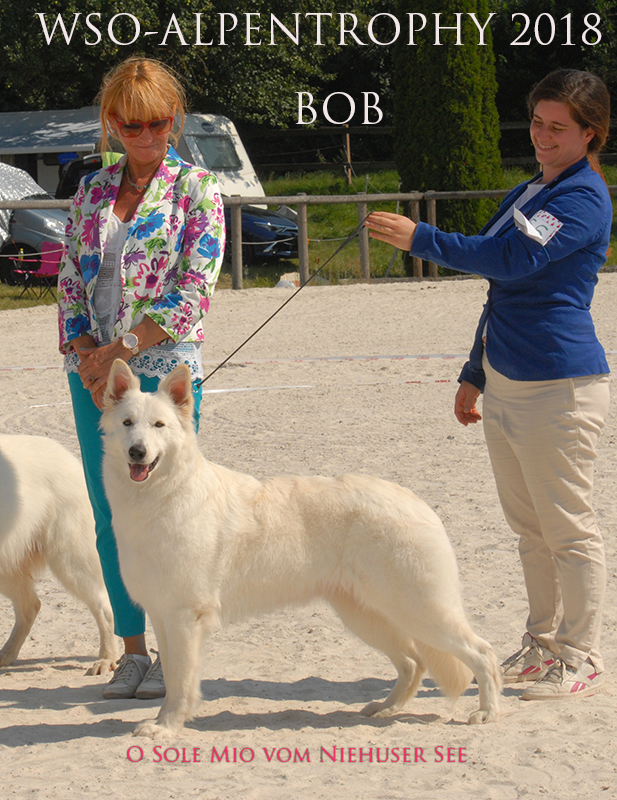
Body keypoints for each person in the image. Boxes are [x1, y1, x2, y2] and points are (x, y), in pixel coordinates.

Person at [365, 69, 611, 700]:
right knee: (530, 529)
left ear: (591, 133)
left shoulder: (582, 200)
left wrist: (422, 237)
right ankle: (541, 642)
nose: (543, 136)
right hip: (506, 380)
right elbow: (500, 286)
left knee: (568, 528)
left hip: (560, 383)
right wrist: (474, 372)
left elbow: (511, 260)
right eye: (536, 122)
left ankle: (580, 652)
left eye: (560, 128)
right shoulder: (530, 190)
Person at [58, 56, 225, 700]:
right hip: (95, 375)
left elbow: (192, 294)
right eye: (131, 126)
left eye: (157, 124)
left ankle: (177, 651)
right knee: (109, 511)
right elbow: (71, 275)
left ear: (173, 120)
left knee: (171, 514)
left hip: (162, 373)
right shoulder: (91, 189)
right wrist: (86, 353)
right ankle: (133, 652)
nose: (146, 137)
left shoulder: (196, 189)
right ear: (112, 124)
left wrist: (118, 351)